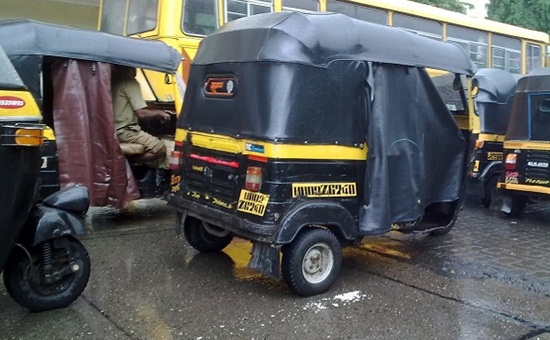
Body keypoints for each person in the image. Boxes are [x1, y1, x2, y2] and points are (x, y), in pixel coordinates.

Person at [111, 65, 172, 164]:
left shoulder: (111, 81)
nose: (135, 70)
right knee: (161, 149)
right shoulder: (130, 82)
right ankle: (127, 165)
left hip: (112, 132)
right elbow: (142, 113)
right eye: (133, 67)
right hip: (126, 133)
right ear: (127, 68)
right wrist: (161, 113)